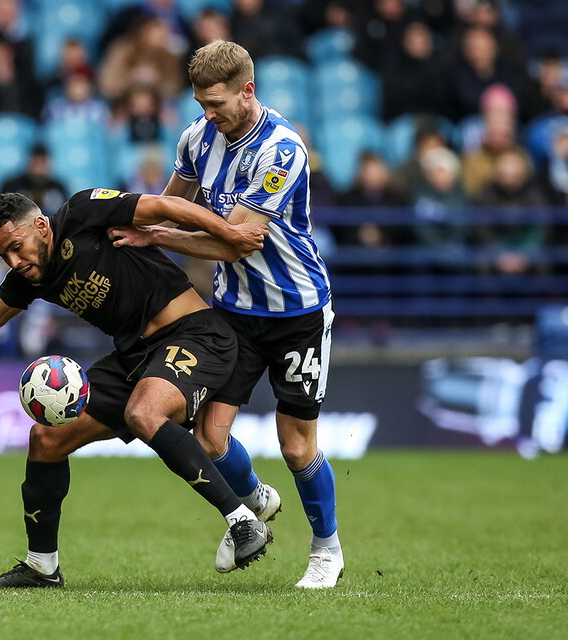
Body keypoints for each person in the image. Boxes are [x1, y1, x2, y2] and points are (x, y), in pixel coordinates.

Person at [0, 188, 272, 588]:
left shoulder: (82, 212)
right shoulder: (29, 278)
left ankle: (242, 520)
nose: (13, 261)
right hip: (134, 357)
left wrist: (229, 234)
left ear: (41, 226)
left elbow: (167, 205)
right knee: (45, 438)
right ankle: (42, 565)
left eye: (16, 246)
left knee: (145, 413)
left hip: (195, 335)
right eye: (2, 255)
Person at [108, 41, 343, 588]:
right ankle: (255, 498)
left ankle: (326, 550)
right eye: (200, 103)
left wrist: (158, 235)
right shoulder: (196, 137)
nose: (207, 114)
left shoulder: (282, 151)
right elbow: (167, 204)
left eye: (216, 104)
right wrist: (136, 227)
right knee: (208, 436)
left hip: (296, 310)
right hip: (234, 312)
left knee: (295, 444)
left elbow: (237, 242)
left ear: (248, 90)